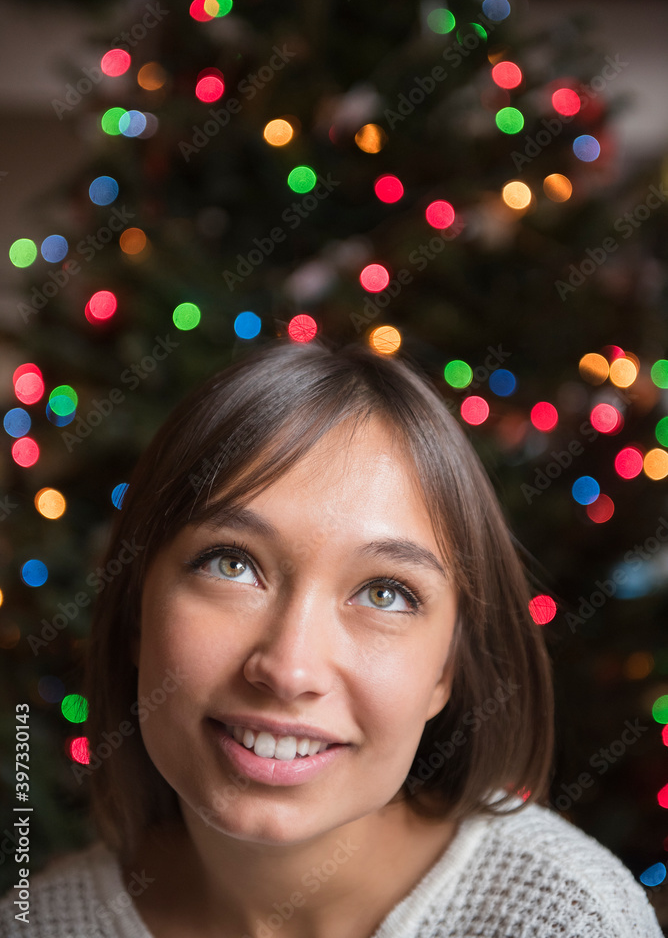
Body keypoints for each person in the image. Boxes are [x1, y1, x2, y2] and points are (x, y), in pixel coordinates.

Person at [1, 335, 662, 938]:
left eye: (386, 593)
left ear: (445, 673)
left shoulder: (570, 919)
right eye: (232, 564)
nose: (288, 669)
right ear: (137, 612)